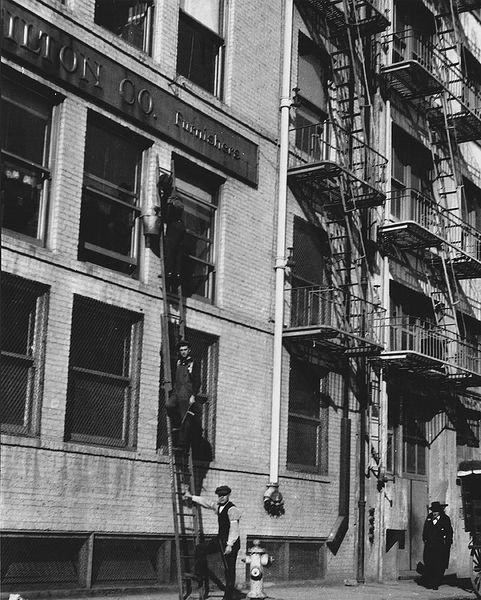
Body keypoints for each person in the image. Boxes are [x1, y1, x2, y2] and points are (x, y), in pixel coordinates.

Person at [184, 485, 241, 600]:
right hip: (220, 540)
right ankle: (199, 575)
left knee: (229, 570)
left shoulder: (232, 509)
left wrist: (229, 545)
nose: (222, 498)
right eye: (220, 495)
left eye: (224, 495)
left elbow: (234, 529)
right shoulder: (218, 506)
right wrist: (192, 497)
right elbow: (207, 503)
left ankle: (228, 597)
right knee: (200, 548)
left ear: (228, 495)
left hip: (231, 542)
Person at [166, 340, 202, 455]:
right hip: (177, 392)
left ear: (189, 350)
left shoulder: (193, 363)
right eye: (181, 350)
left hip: (186, 394)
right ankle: (176, 424)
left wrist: (193, 395)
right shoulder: (178, 362)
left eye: (185, 350)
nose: (183, 352)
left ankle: (182, 446)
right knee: (169, 405)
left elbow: (197, 381)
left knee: (185, 418)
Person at [421, 501, 453, 590]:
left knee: (439, 565)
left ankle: (436, 583)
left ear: (439, 511)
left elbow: (449, 532)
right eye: (433, 511)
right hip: (430, 546)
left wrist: (447, 543)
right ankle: (430, 582)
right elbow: (425, 530)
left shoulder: (445, 519)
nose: (434, 513)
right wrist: (425, 539)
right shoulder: (429, 518)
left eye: (436, 511)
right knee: (430, 563)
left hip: (440, 547)